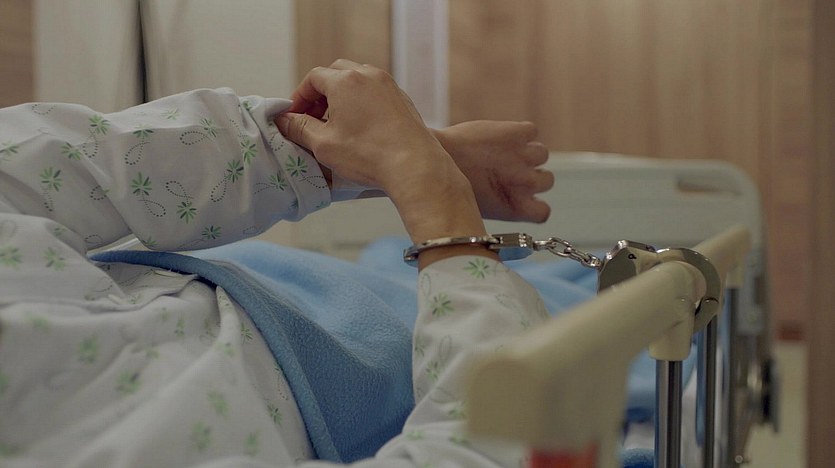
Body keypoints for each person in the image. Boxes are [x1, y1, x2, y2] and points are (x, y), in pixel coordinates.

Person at [0, 60, 554, 467]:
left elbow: (81, 158)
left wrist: (357, 158)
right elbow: (498, 449)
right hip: (336, 380)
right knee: (561, 316)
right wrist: (433, 194)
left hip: (239, 278)